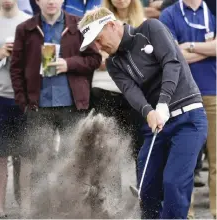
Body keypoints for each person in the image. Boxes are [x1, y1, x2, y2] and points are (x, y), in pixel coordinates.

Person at [78, 7, 208, 219]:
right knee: (146, 186)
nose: (99, 47)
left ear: (111, 25)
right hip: (157, 123)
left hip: (189, 119)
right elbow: (131, 91)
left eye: (99, 39)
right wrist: (148, 111)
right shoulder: (114, 63)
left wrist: (164, 102)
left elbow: (171, 63)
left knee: (173, 182)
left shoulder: (150, 28)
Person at [10, 0, 101, 217]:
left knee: (73, 160)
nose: (51, 1)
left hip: (71, 104)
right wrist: (23, 102)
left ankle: (70, 210)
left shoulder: (78, 25)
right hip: (38, 105)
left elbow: (95, 59)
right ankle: (40, 211)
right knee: (37, 160)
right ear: (37, 1)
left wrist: (68, 64)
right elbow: (16, 68)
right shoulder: (25, 28)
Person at [159, 0, 216, 218]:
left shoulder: (214, 9)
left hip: (212, 91)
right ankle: (186, 212)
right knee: (185, 161)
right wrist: (208, 50)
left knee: (216, 161)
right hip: (182, 96)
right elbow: (173, 54)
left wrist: (189, 46)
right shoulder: (168, 14)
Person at [92, 0, 145, 160]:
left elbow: (145, 60)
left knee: (140, 146)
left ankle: (143, 185)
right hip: (103, 89)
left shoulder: (144, 24)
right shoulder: (96, 22)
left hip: (135, 92)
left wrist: (112, 57)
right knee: (107, 150)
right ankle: (111, 186)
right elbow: (93, 58)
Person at [0, 0, 30, 217]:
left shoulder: (29, 23)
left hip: (24, 98)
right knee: (0, 156)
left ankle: (25, 204)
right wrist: (0, 54)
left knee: (25, 155)